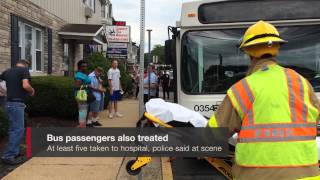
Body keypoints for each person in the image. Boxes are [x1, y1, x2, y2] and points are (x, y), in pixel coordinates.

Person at [207, 20, 320, 180]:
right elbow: (314, 121)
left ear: (249, 53)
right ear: (277, 49)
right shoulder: (302, 82)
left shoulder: (243, 88)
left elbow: (213, 135)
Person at [1, 59, 35, 165]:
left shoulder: (7, 71)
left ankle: (14, 152)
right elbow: (25, 85)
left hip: (9, 103)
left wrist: (4, 92)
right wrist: (32, 91)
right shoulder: (24, 70)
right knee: (17, 129)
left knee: (14, 129)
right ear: (26, 65)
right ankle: (9, 155)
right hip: (17, 104)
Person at [74, 60, 91, 128]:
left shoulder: (84, 74)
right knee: (82, 111)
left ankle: (83, 125)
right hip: (80, 94)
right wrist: (87, 86)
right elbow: (77, 86)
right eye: (83, 66)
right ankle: (81, 127)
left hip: (85, 93)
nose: (85, 68)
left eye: (86, 66)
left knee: (84, 111)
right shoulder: (79, 75)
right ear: (79, 67)